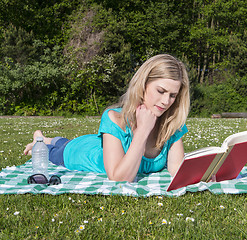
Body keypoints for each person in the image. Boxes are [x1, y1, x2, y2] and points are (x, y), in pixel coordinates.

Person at [24, 54, 190, 182]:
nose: (166, 101)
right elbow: (120, 178)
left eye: (173, 95)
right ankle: (40, 140)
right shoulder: (114, 118)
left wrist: (205, 174)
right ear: (143, 85)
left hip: (99, 143)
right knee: (57, 149)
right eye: (161, 91)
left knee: (63, 141)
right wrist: (143, 131)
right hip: (79, 152)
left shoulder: (171, 124)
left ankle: (45, 138)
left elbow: (178, 169)